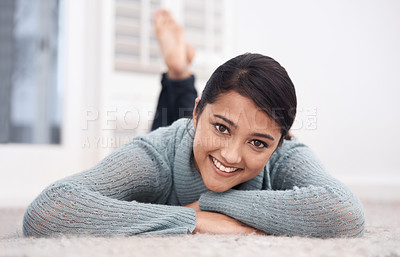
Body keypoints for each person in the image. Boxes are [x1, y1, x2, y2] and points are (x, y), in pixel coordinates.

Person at [22, 9, 365, 238]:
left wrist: (212, 203)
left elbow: (345, 214)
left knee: (209, 135)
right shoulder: (155, 154)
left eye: (259, 142)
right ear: (198, 112)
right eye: (222, 128)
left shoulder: (285, 153)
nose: (232, 155)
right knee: (169, 128)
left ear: (281, 141)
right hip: (178, 139)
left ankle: (182, 77)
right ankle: (180, 76)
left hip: (197, 128)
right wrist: (196, 220)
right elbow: (48, 210)